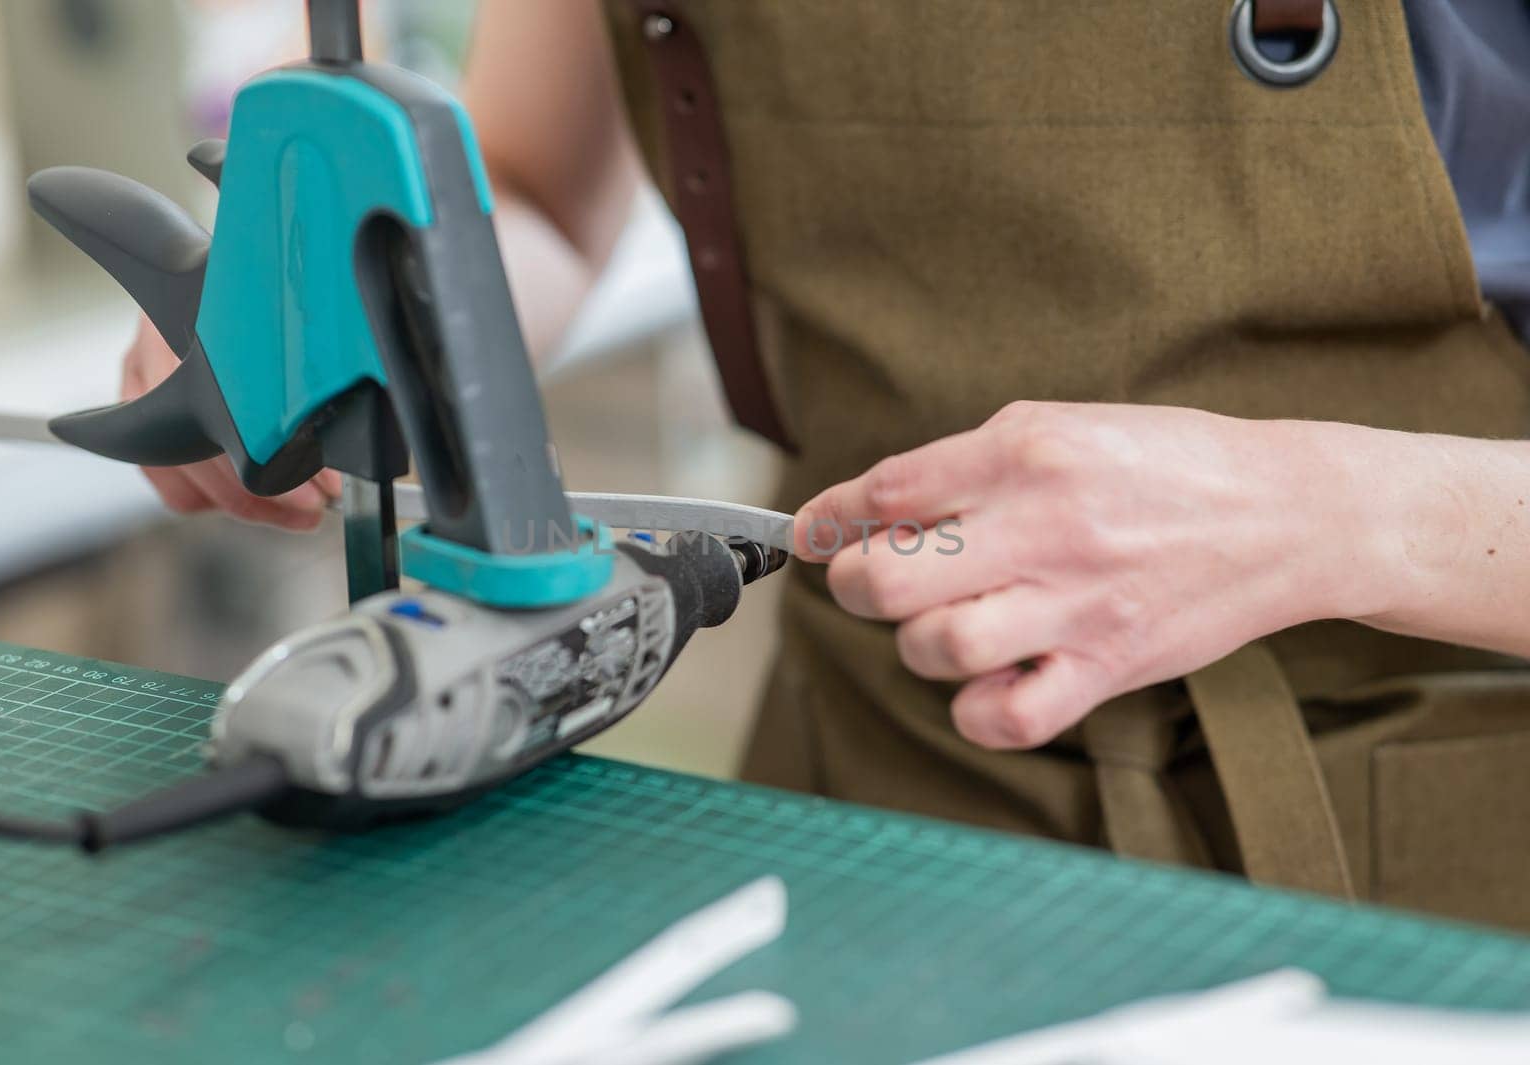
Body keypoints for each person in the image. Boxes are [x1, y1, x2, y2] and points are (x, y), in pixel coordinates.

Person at [121, 1, 1530, 929]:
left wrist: (1324, 514)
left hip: (1411, 855)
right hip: (864, 807)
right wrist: (362, 309)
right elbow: (543, 189)